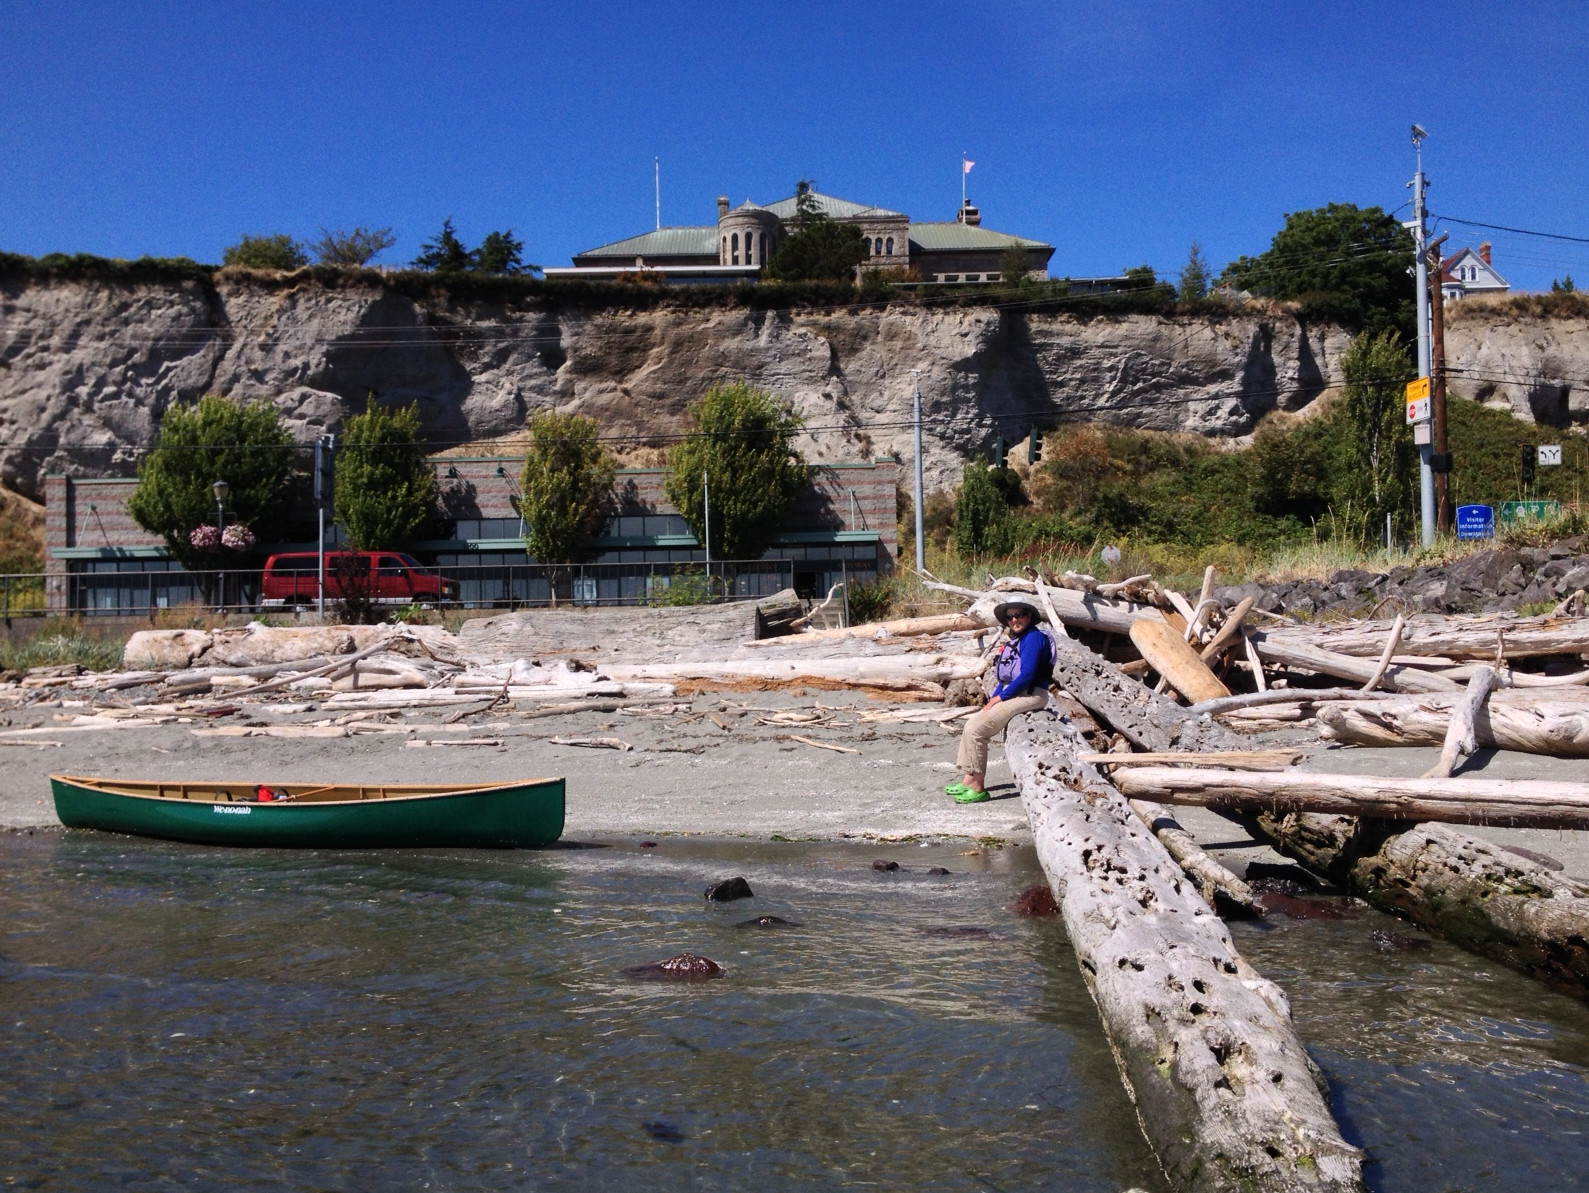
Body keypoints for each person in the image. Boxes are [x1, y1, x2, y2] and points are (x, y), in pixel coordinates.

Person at [946, 598, 1053, 804]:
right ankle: (968, 779)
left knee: (978, 730)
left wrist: (1001, 697)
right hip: (1017, 693)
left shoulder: (1033, 638)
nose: (1014, 620)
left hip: (1032, 695)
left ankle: (978, 787)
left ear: (1029, 616)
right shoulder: (1017, 639)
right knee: (971, 724)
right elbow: (1005, 677)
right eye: (1010, 617)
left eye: (1019, 615)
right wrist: (994, 697)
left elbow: (1027, 674)